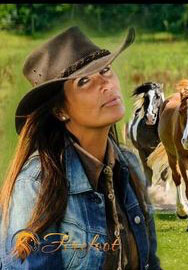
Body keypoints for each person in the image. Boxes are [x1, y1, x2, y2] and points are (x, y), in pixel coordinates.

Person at [0, 26, 162, 270]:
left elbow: (150, 262)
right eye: (84, 81)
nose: (106, 85)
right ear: (60, 110)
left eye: (105, 70)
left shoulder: (129, 164)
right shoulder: (36, 184)